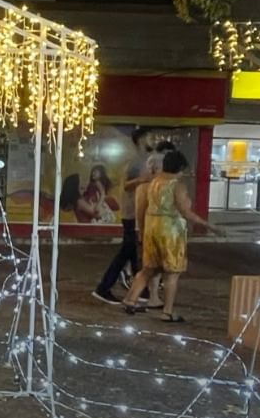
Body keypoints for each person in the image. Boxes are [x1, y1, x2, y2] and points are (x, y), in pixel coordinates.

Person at [122, 150, 219, 322]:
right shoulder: (176, 185)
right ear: (180, 167)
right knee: (172, 273)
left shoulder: (153, 182)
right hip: (170, 230)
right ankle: (167, 312)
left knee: (148, 268)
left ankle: (130, 300)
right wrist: (208, 225)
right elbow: (185, 212)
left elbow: (144, 206)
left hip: (152, 227)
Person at [92, 128, 154, 304]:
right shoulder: (136, 162)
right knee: (127, 250)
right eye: (150, 137)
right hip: (131, 213)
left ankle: (140, 290)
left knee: (134, 252)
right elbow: (127, 185)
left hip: (137, 212)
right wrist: (143, 180)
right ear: (141, 140)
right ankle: (103, 288)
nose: (153, 140)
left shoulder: (143, 160)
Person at [131, 139, 176, 310]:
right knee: (149, 268)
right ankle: (140, 298)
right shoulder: (147, 186)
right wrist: (141, 231)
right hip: (150, 232)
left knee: (153, 268)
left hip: (157, 232)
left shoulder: (159, 185)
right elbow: (141, 211)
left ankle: (148, 297)